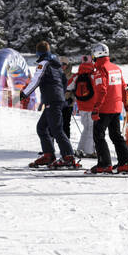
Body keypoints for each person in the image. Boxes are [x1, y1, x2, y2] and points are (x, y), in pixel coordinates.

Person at [20, 40, 78, 168]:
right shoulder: (56, 64)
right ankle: (48, 155)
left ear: (38, 52)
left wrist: (24, 94)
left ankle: (68, 156)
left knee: (56, 129)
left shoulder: (43, 64)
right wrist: (61, 95)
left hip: (52, 100)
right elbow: (64, 81)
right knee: (41, 127)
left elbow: (36, 80)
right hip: (54, 99)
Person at [89, 43, 128, 174]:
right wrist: (126, 103)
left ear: (96, 55)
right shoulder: (116, 68)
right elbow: (124, 87)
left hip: (104, 108)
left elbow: (102, 90)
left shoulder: (100, 70)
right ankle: (125, 162)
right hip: (116, 108)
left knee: (98, 136)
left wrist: (96, 108)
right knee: (116, 135)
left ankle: (104, 163)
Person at [69, 55, 96, 156]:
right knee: (91, 128)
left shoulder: (77, 75)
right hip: (92, 105)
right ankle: (89, 151)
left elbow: (68, 86)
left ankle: (81, 148)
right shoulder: (94, 74)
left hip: (81, 106)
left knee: (86, 128)